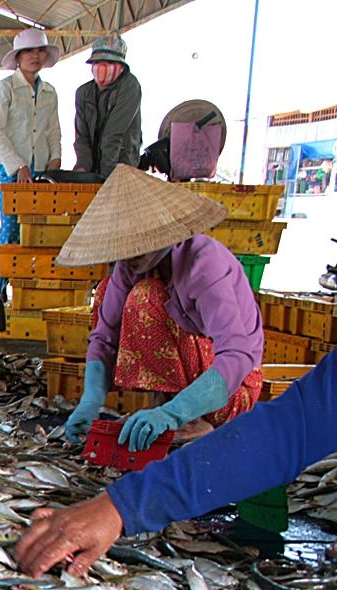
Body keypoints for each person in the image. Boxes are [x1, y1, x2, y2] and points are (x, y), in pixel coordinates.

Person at [17, 351, 336, 578]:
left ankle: (204, 421)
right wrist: (119, 506)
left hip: (227, 386)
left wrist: (178, 411)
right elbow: (293, 428)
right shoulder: (126, 281)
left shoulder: (209, 272)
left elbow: (284, 428)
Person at [58, 165, 264, 452]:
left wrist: (174, 413)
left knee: (146, 298)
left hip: (233, 388)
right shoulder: (131, 267)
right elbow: (104, 337)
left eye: (138, 244)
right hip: (185, 383)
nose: (130, 255)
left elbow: (238, 355)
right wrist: (91, 400)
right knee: (108, 290)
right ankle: (163, 407)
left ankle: (196, 419)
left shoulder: (203, 264)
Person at [0, 28, 62, 297]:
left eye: (40, 50)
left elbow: (53, 130)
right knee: (10, 231)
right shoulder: (4, 89)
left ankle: (28, 291)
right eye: (30, 51)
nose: (36, 56)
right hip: (10, 171)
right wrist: (18, 165)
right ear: (18, 58)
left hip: (41, 169)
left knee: (38, 232)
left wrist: (56, 158)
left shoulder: (50, 92)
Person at [72, 35, 142, 178]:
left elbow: (113, 133)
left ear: (121, 67)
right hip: (92, 169)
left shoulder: (130, 86)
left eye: (110, 62)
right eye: (97, 62)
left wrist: (106, 177)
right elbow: (81, 136)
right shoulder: (83, 93)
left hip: (122, 168)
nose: (102, 67)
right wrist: (82, 167)